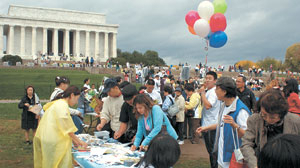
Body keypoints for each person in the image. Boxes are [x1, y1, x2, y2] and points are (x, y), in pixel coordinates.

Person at [197, 77, 251, 168]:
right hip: (222, 158)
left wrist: (235, 125)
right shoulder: (223, 105)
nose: (215, 91)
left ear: (225, 91)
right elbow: (222, 124)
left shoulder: (241, 111)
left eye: (217, 89)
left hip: (233, 160)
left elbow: (248, 135)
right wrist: (206, 128)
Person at [241, 89, 300, 168]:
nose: (268, 120)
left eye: (272, 117)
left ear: (281, 114)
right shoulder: (254, 120)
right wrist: (254, 164)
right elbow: (246, 144)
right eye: (264, 115)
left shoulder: (295, 121)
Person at [33, 86, 88, 168]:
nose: (76, 102)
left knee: (48, 163)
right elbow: (66, 126)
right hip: (52, 139)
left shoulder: (57, 103)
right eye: (77, 99)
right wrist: (79, 141)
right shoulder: (62, 105)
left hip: (45, 136)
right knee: (56, 163)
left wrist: (74, 140)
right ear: (72, 95)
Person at [198, 71, 220, 168]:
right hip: (208, 124)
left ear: (215, 81)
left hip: (212, 126)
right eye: (206, 78)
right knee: (211, 151)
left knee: (213, 152)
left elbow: (208, 106)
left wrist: (202, 93)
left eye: (209, 78)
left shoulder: (213, 92)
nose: (207, 80)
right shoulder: (210, 91)